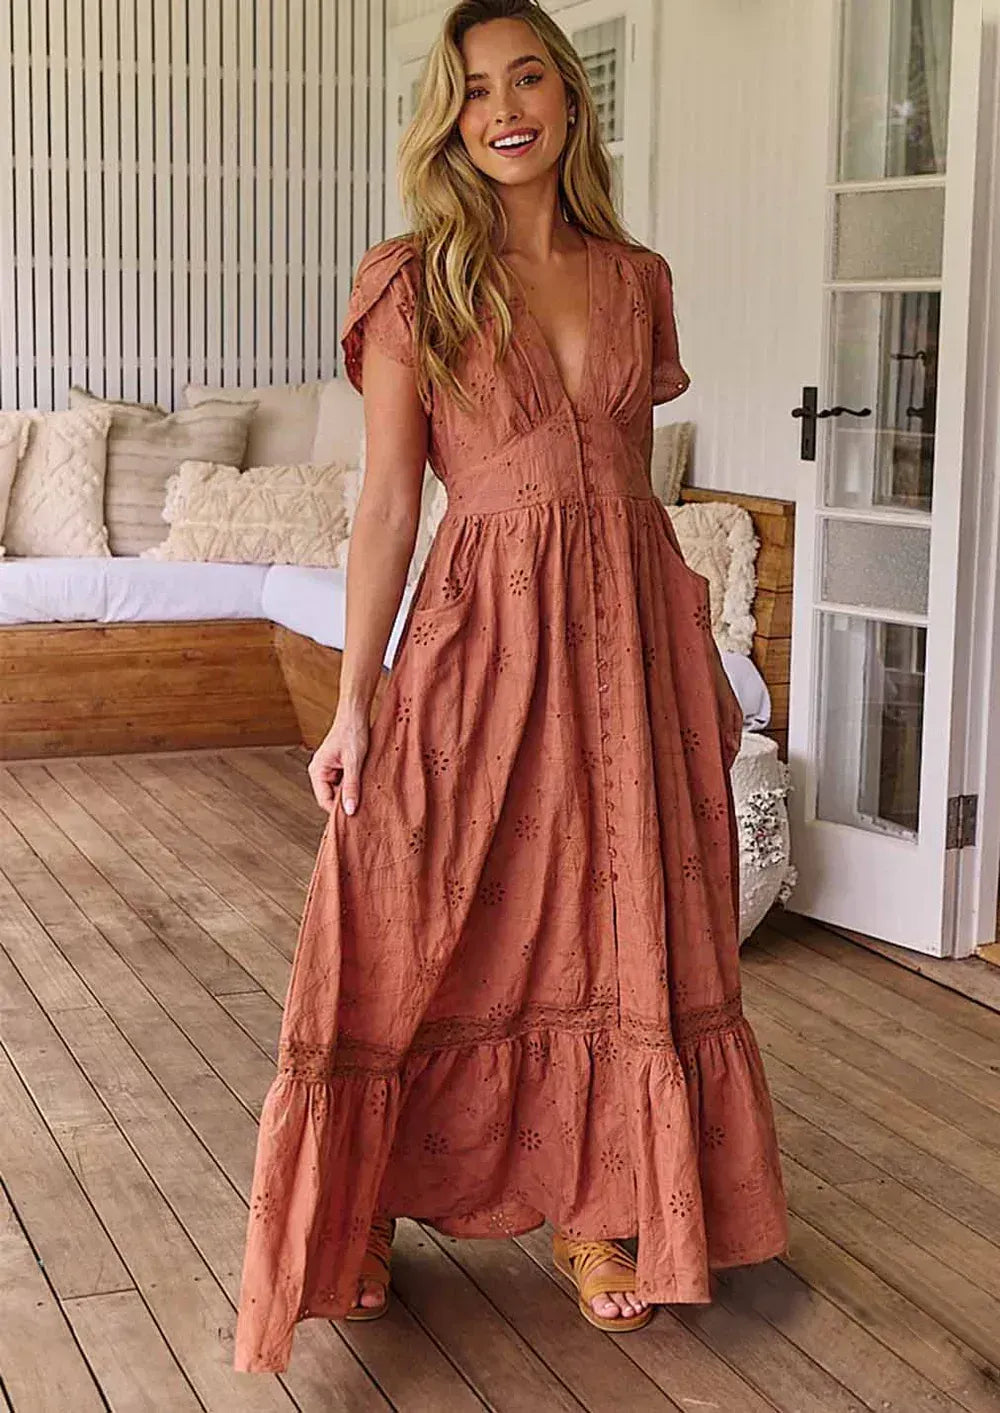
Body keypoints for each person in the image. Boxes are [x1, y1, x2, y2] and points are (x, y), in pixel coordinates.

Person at [235, 0, 788, 1374]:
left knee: (619, 909)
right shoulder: (414, 281)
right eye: (475, 89)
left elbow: (625, 483)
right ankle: (362, 1200)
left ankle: (605, 1207)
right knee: (408, 897)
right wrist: (356, 699)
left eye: (528, 77)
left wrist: (689, 653)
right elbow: (386, 507)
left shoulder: (637, 279)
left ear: (571, 99)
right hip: (480, 628)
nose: (504, 109)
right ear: (450, 120)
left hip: (628, 640)